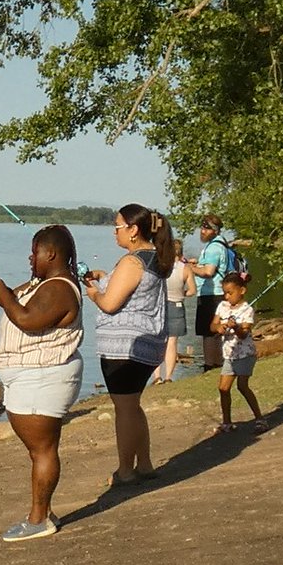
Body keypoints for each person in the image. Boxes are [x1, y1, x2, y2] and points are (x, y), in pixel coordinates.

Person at [0, 224, 84, 542]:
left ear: (50, 253)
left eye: (34, 251)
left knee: (42, 450)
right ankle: (41, 513)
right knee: (39, 451)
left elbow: (26, 318)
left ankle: (39, 519)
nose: (30, 257)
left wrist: (1, 298)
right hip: (31, 378)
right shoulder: (45, 283)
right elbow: (17, 302)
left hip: (43, 378)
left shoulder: (60, 289)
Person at [83, 204, 172, 486]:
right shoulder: (152, 258)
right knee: (133, 405)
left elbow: (110, 304)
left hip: (124, 348)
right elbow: (130, 289)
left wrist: (94, 295)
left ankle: (125, 470)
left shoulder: (132, 262)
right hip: (146, 345)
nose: (115, 232)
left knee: (124, 408)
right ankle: (144, 464)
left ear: (133, 230)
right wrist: (103, 277)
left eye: (118, 226)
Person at [210, 271, 268, 434]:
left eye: (230, 293)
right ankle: (227, 422)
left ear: (242, 290)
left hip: (244, 354)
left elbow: (243, 334)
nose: (227, 296)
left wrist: (235, 326)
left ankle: (260, 419)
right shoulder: (222, 306)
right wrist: (219, 327)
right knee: (223, 388)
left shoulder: (247, 310)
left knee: (242, 386)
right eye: (225, 293)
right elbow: (212, 326)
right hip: (229, 355)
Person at [151, 238, 196, 384]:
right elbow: (192, 290)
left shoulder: (161, 266)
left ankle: (157, 376)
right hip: (177, 305)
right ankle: (169, 377)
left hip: (160, 305)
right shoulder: (186, 268)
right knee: (172, 343)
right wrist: (182, 293)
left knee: (158, 341)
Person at [190, 214, 231, 371]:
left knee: (208, 331)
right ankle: (218, 364)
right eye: (202, 227)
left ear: (215, 231)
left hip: (211, 294)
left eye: (206, 228)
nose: (202, 231)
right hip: (217, 293)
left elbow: (208, 272)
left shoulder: (213, 247)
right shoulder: (220, 244)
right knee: (214, 331)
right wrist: (198, 263)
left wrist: (191, 269)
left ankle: (209, 366)